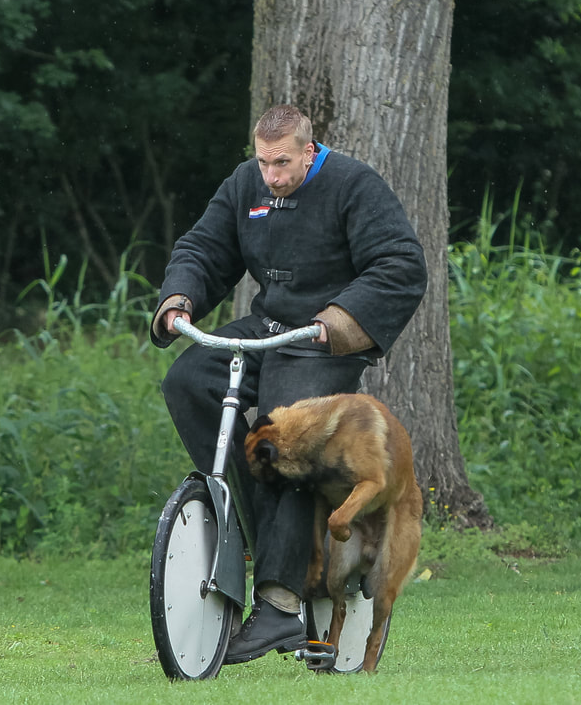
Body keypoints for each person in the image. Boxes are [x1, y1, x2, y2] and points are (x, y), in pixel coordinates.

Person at [149, 104, 426, 663]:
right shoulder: (246, 185)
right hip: (267, 326)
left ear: (308, 150)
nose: (270, 176)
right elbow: (203, 248)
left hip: (322, 337)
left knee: (284, 435)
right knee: (188, 381)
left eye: (282, 163)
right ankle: (256, 519)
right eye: (263, 162)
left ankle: (277, 607)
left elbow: (401, 264)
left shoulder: (354, 185)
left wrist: (338, 322)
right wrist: (178, 299)